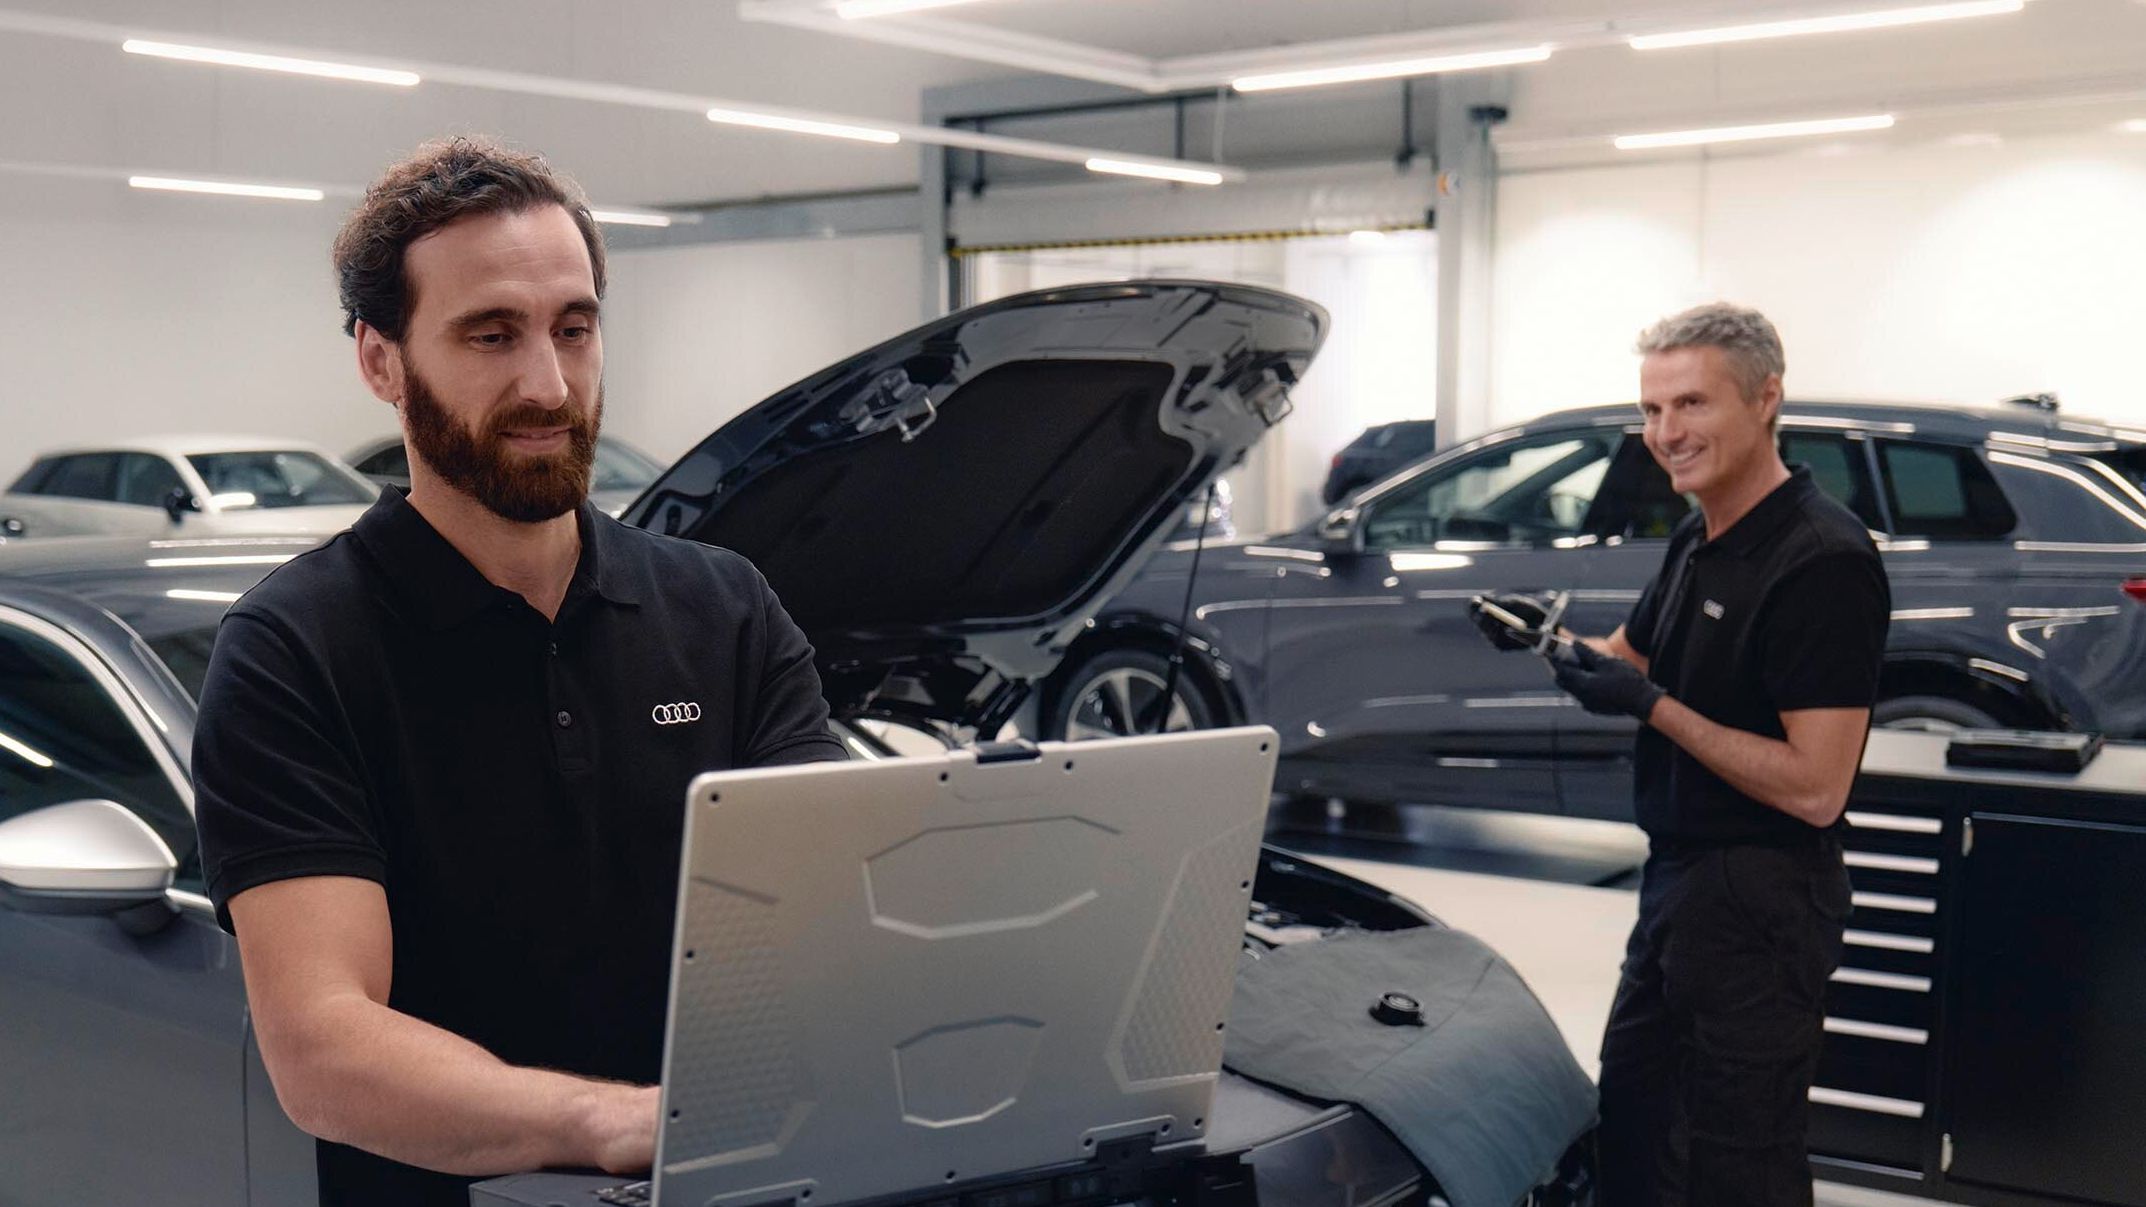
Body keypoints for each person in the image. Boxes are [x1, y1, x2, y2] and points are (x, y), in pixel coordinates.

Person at [190, 138, 847, 1207]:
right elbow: (325, 1045)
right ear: (381, 360)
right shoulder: (293, 651)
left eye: (573, 329)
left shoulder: (723, 607)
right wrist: (614, 1121)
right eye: (490, 334)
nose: (548, 383)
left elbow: (829, 918)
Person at [1471, 303, 1889, 1206]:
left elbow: (1817, 787)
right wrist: (1553, 647)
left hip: (1765, 899)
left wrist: (1653, 709)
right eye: (1653, 410)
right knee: (1636, 1123)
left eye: (1691, 404)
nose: (1666, 433)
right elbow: (1633, 658)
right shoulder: (1700, 535)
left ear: (1766, 398)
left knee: (1741, 1159)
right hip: (1679, 883)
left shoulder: (1821, 560)